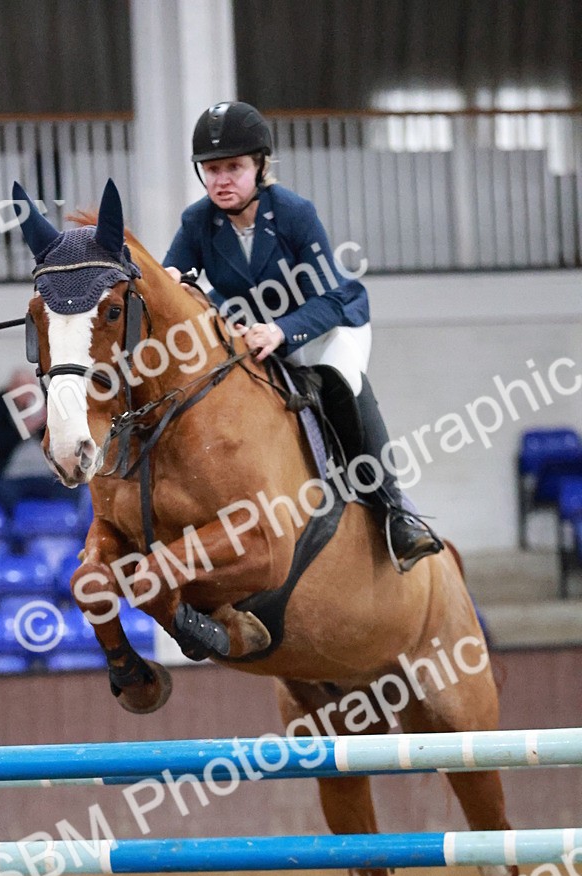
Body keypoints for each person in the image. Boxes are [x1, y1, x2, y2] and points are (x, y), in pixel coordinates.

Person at [163, 100, 443, 572]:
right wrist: (163, 282)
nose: (221, 180)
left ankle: (395, 511)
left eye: (234, 167)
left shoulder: (293, 213)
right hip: (253, 331)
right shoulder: (198, 221)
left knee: (341, 381)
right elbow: (173, 276)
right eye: (211, 169)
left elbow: (329, 298)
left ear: (260, 166)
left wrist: (281, 330)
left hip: (324, 324)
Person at [0, 368, 65, 508]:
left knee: (71, 489)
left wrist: (48, 423)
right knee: (3, 494)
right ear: (11, 389)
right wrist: (21, 430)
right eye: (23, 387)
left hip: (45, 475)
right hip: (8, 478)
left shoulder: (43, 412)